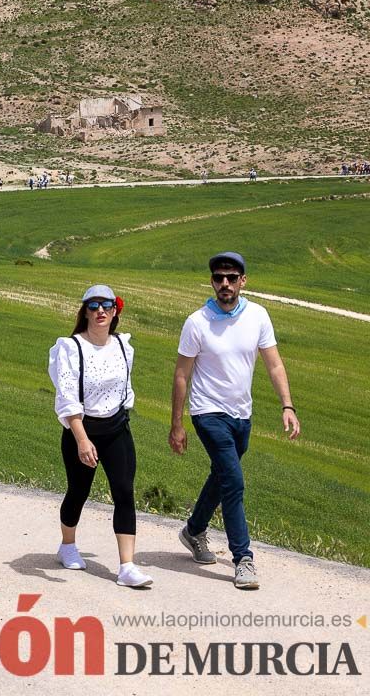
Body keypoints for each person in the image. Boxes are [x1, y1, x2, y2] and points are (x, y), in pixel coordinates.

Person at [171, 252, 299, 590]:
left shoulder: (257, 315)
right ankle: (243, 559)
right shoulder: (197, 322)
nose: (224, 284)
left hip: (242, 414)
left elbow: (274, 364)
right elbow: (182, 375)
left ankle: (194, 530)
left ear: (243, 281)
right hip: (207, 412)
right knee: (234, 482)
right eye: (218, 278)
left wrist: (288, 405)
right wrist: (177, 424)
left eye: (231, 277)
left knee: (222, 475)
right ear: (212, 281)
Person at [48, 286, 150, 588]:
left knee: (124, 491)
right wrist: (81, 439)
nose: (100, 311)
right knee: (79, 491)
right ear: (85, 311)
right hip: (83, 429)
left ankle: (127, 566)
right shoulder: (71, 348)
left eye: (106, 305)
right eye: (93, 306)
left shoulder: (123, 346)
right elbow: (67, 398)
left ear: (115, 310)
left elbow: (125, 390)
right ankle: (67, 545)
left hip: (117, 429)